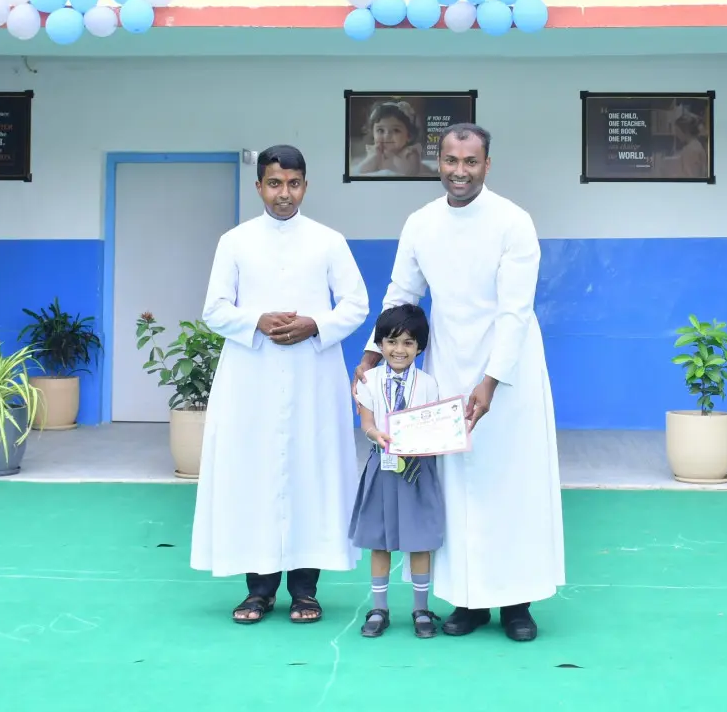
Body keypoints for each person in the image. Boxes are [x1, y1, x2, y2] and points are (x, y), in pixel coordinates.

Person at [355, 123, 564, 642]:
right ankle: (467, 600)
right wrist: (371, 355)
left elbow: (515, 310)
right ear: (438, 163)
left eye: (471, 162)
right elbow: (402, 293)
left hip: (510, 374)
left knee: (510, 484)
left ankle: (516, 603)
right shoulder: (422, 222)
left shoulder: (513, 222)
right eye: (451, 160)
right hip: (447, 367)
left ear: (487, 165)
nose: (460, 171)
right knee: (454, 486)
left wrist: (492, 380)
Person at [191, 144, 369, 626]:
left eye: (292, 184)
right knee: (255, 474)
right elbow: (214, 309)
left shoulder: (329, 241)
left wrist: (315, 325)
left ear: (306, 186)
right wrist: (257, 320)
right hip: (252, 377)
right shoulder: (235, 241)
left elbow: (356, 304)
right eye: (274, 183)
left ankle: (306, 592)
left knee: (312, 472)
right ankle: (259, 591)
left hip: (314, 375)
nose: (283, 194)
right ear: (259, 187)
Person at [349, 303, 445, 640]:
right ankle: (379, 609)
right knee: (380, 541)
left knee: (419, 542)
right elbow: (367, 422)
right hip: (382, 467)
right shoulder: (369, 380)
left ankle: (421, 609)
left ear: (420, 347)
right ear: (379, 345)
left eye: (408, 342)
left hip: (418, 469)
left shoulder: (429, 384)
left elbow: (434, 425)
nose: (399, 350)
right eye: (391, 342)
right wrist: (376, 434)